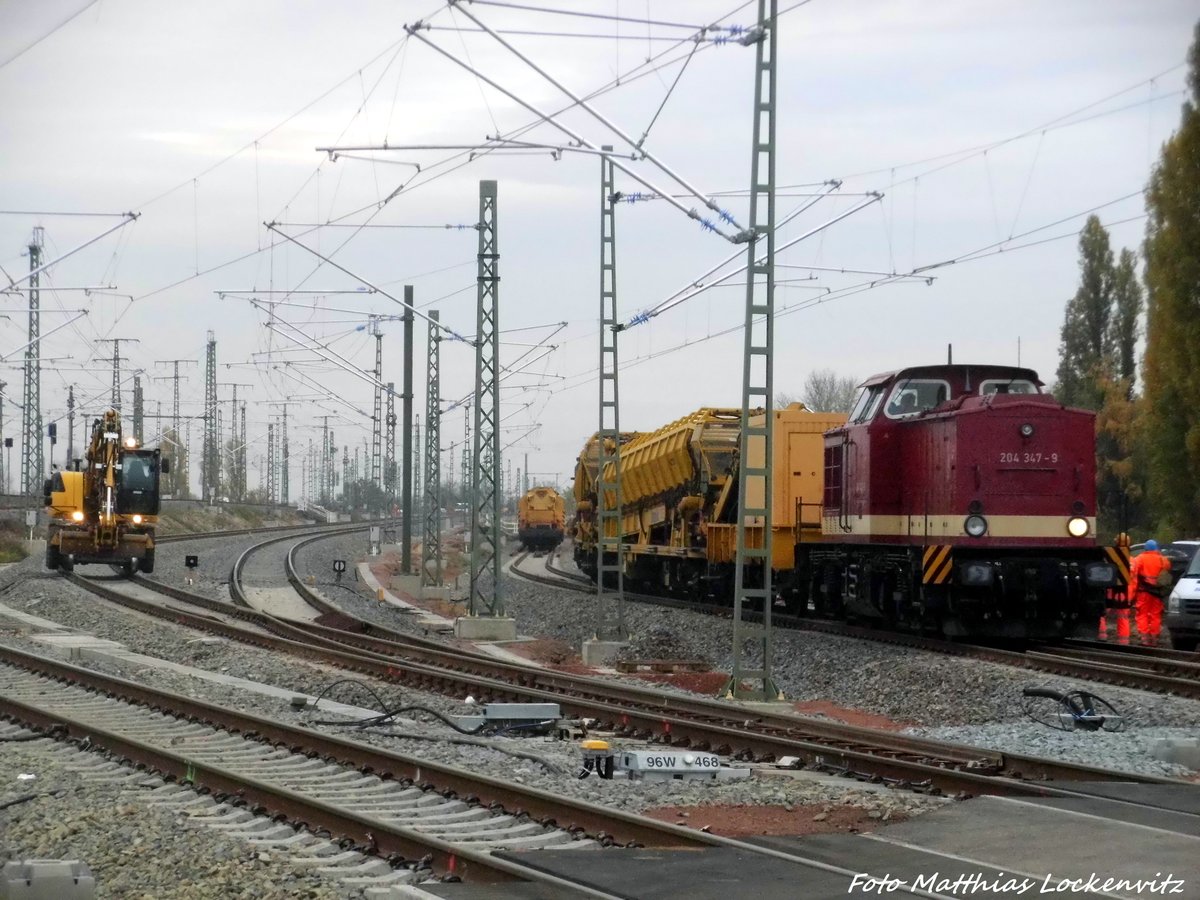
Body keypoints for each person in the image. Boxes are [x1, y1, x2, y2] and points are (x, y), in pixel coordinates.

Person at [1128, 538, 1168, 647]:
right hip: (1157, 593)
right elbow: (1166, 574)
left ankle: (1144, 639)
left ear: (1145, 548)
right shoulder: (1163, 560)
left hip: (1143, 592)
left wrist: (1132, 592)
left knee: (1142, 615)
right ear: (1156, 548)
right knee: (1156, 615)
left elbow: (1134, 575)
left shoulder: (1139, 559)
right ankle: (1154, 639)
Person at [1099, 533, 1132, 644]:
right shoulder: (1134, 560)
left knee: (1102, 612)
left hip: (1111, 590)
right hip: (1127, 593)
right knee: (1123, 616)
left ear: (1116, 542)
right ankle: (1124, 641)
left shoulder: (1110, 558)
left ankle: (1102, 635)